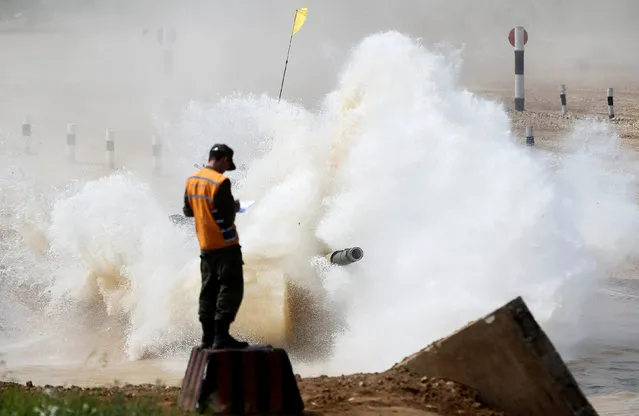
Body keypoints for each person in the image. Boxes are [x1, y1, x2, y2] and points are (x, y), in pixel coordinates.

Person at [182, 144, 249, 350]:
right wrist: (235, 207)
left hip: (206, 245)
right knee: (230, 289)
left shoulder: (193, 180)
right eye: (227, 165)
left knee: (208, 290)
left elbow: (188, 211)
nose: (226, 170)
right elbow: (227, 215)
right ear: (222, 159)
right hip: (225, 245)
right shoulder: (220, 182)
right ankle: (221, 337)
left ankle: (207, 337)